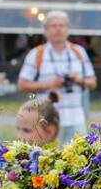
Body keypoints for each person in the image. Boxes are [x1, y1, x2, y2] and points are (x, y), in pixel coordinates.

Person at [17, 11, 96, 143]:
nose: (58, 29)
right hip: (46, 120)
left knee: (78, 159)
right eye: (53, 26)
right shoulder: (36, 54)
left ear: (68, 29)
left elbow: (92, 83)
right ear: (46, 31)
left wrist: (77, 80)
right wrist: (49, 84)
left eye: (62, 25)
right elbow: (22, 85)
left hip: (76, 118)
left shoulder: (79, 52)